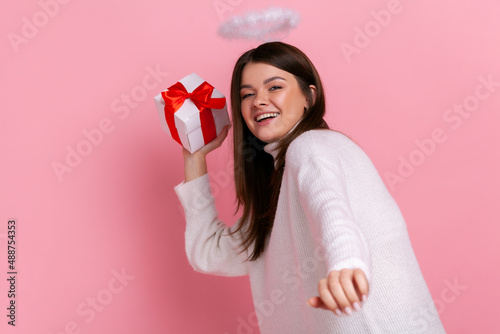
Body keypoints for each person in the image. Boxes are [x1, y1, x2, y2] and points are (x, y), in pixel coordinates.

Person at [174, 42, 445, 333]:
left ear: (309, 97)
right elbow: (209, 252)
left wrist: (345, 263)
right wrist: (194, 156)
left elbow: (331, 209)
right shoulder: (279, 182)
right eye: (247, 94)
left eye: (274, 87)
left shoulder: (310, 147)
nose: (258, 101)